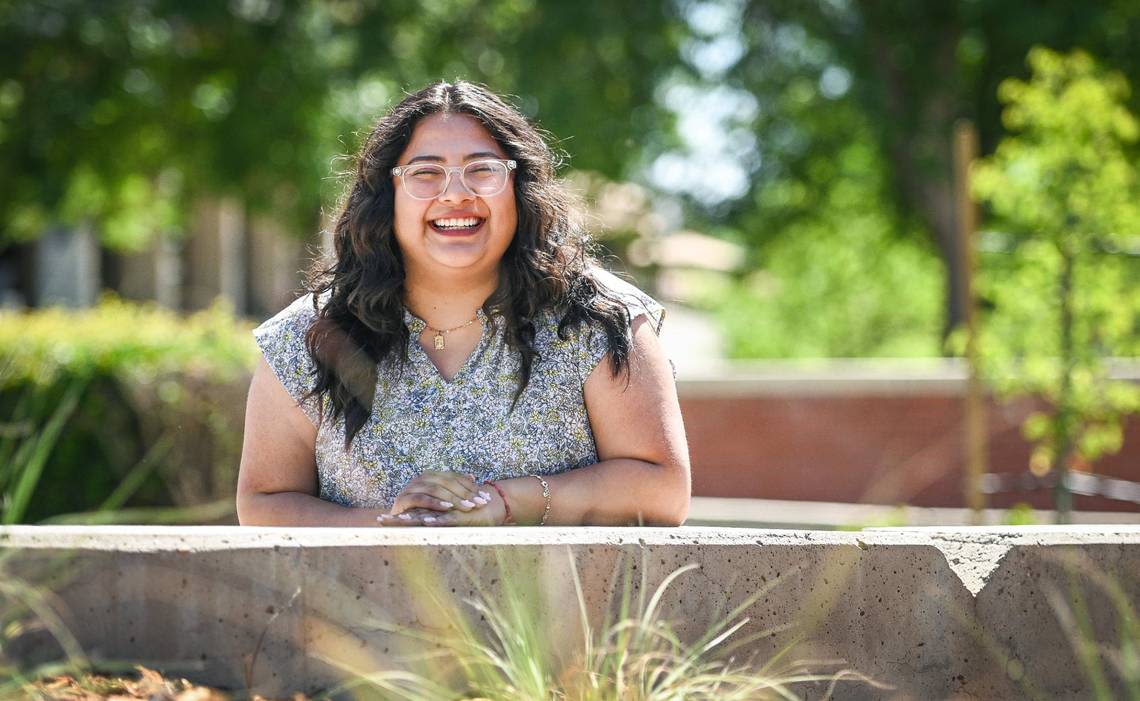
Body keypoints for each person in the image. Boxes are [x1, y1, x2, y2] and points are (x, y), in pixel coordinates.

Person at [236, 81, 690, 527]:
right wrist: (391, 524)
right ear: (386, 196)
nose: (455, 193)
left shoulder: (597, 318)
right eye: (426, 173)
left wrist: (505, 503)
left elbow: (663, 489)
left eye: (482, 170)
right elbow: (264, 501)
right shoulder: (309, 336)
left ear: (519, 186)